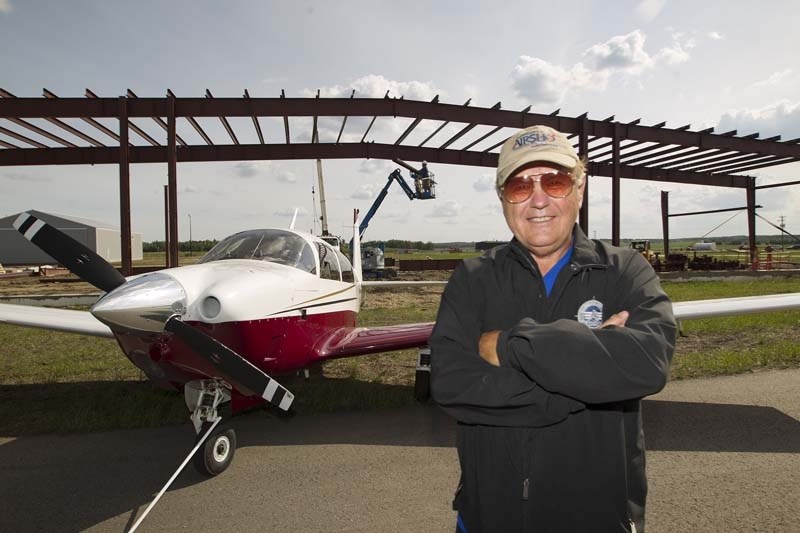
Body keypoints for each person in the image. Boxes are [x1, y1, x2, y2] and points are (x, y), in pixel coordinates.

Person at [430, 125, 676, 533]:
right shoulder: (472, 279)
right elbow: (451, 383)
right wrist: (585, 380)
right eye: (520, 185)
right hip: (489, 517)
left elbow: (647, 364)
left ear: (579, 190)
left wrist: (509, 345)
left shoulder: (625, 271)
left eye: (555, 181)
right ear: (503, 199)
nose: (538, 199)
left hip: (597, 518)